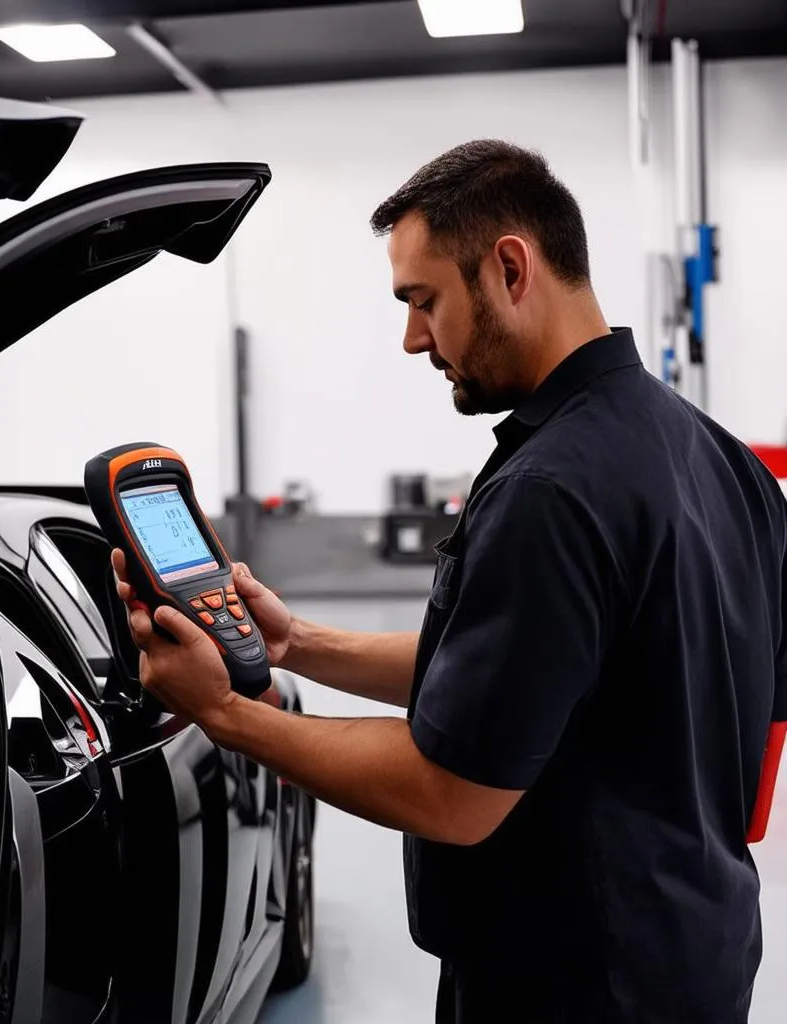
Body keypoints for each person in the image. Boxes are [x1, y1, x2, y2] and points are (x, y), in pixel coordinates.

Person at [112, 140, 787, 1023]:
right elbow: (531, 673)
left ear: (511, 267)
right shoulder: (722, 459)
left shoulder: (551, 490)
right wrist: (298, 646)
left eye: (422, 301)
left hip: (569, 988)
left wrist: (228, 711)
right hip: (696, 952)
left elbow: (451, 794)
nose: (412, 339)